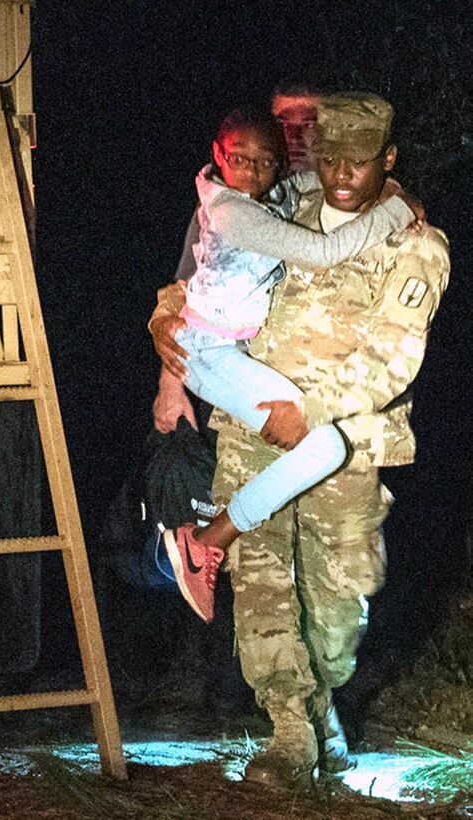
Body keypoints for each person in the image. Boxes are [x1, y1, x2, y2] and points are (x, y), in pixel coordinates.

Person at [150, 91, 450, 787]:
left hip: (343, 439)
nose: (341, 170)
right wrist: (163, 322)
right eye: (330, 152)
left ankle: (324, 715)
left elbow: (393, 359)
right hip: (254, 430)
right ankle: (290, 731)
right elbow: (202, 274)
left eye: (361, 158)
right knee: (261, 586)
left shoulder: (415, 243)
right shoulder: (281, 210)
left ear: (388, 160)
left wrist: (305, 412)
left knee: (339, 604)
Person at [159, 107, 419, 624]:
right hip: (207, 354)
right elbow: (321, 252)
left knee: (324, 449)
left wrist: (385, 183)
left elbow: (309, 180)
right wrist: (399, 206)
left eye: (265, 161)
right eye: (240, 159)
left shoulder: (271, 192)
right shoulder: (233, 211)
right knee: (324, 444)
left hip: (221, 348)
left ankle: (207, 541)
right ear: (217, 155)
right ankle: (204, 542)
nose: (253, 170)